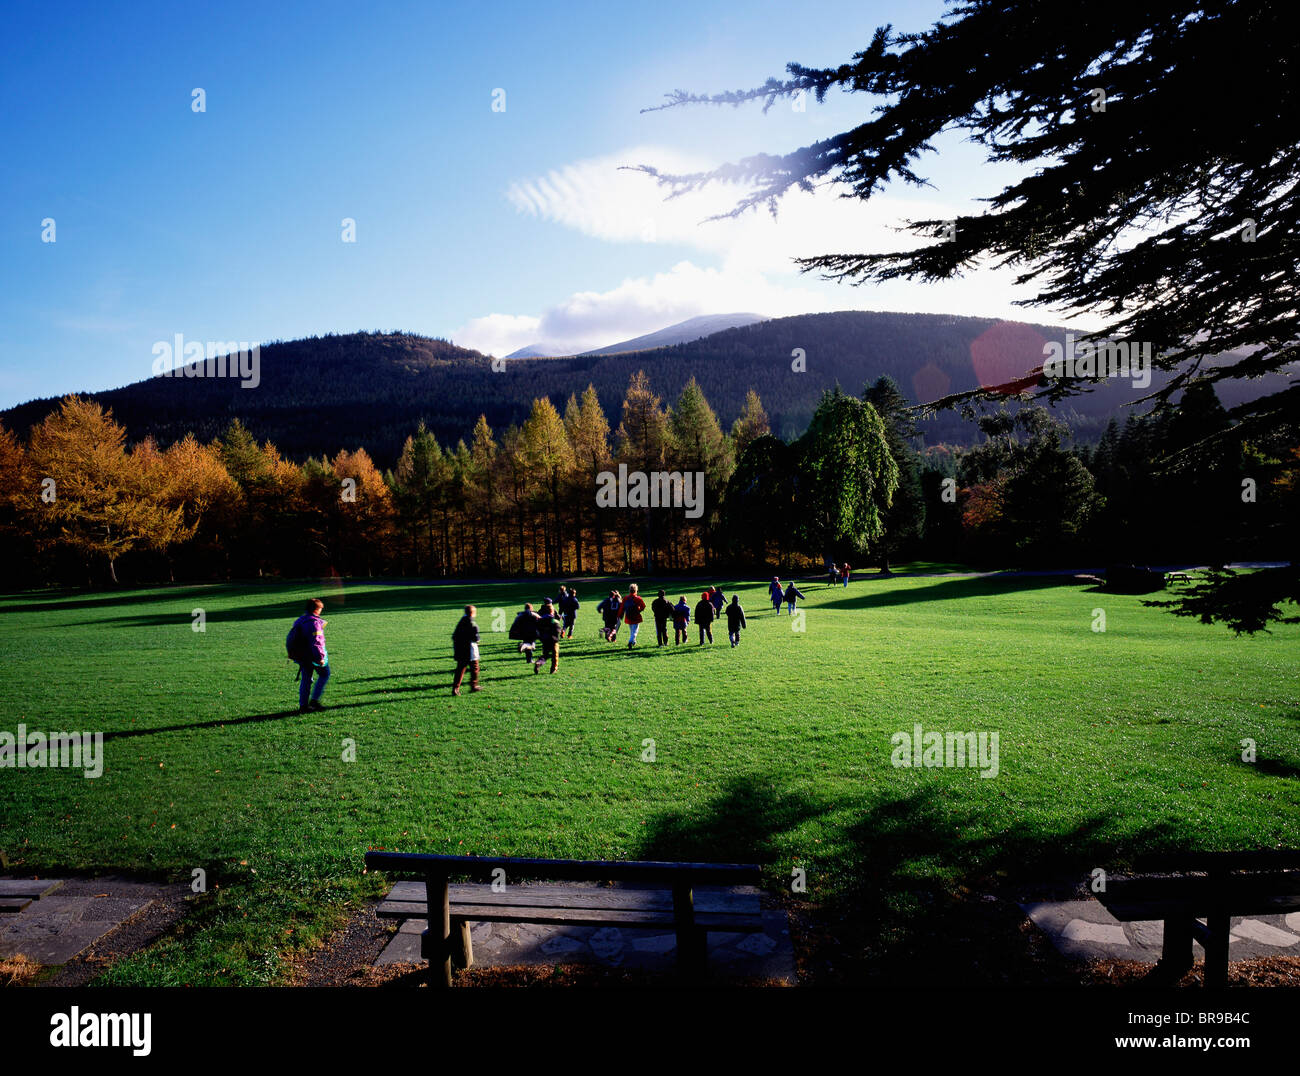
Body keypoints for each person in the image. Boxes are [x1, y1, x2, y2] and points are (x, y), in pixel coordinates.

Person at [286, 598, 331, 713]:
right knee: (325, 674)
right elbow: (317, 641)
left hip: (301, 655)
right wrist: (320, 657)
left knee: (306, 679)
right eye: (320, 609)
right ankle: (314, 701)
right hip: (312, 655)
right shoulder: (314, 623)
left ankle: (303, 705)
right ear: (317, 609)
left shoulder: (300, 620)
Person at [451, 604, 481, 695]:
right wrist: (478, 639)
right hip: (469, 648)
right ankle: (473, 685)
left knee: (460, 668)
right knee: (474, 667)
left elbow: (455, 636)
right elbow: (475, 636)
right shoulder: (471, 621)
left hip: (460, 648)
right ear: (473, 613)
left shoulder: (462, 620)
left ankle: (456, 688)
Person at [534, 601, 562, 674]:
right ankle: (553, 669)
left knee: (545, 655)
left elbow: (538, 629)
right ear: (552, 612)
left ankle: (538, 663)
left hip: (545, 640)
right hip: (553, 640)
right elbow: (557, 629)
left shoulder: (541, 619)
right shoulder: (553, 620)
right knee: (555, 655)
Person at [622, 583, 647, 648]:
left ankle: (634, 642)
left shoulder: (625, 598)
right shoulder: (638, 598)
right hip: (636, 617)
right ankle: (630, 642)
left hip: (628, 616)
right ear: (636, 590)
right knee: (635, 631)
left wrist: (620, 615)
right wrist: (639, 610)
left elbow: (622, 607)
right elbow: (643, 606)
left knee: (632, 631)